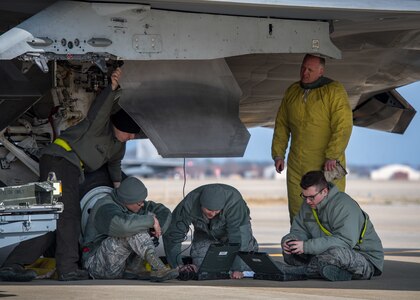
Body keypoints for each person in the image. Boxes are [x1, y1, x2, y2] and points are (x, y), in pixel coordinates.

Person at [0, 67, 140, 281]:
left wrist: (120, 192)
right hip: (60, 160)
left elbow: (114, 167)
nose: (131, 137)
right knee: (68, 216)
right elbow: (100, 110)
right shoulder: (97, 127)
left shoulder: (117, 146)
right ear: (117, 126)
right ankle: (67, 269)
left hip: (71, 168)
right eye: (128, 132)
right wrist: (111, 87)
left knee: (52, 219)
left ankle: (13, 265)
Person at [271, 54, 353, 222]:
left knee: (329, 210)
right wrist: (278, 154)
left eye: (310, 69)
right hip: (297, 165)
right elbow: (282, 124)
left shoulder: (334, 90)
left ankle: (330, 246)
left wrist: (333, 155)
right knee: (297, 209)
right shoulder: (293, 91)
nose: (305, 73)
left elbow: (343, 126)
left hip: (326, 165)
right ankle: (299, 244)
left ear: (321, 71)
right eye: (303, 68)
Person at [277, 171, 383, 281]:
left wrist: (306, 246)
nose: (307, 201)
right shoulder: (308, 205)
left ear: (325, 191)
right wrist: (291, 240)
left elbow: (345, 241)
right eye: (304, 196)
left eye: (312, 197)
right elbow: (300, 230)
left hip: (362, 257)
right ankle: (323, 269)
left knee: (335, 254)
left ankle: (304, 271)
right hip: (324, 253)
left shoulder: (344, 205)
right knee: (290, 253)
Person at [81, 176, 178, 282]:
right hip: (96, 265)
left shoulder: (134, 204)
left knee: (142, 221)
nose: (142, 204)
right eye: (139, 203)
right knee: (134, 227)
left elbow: (164, 212)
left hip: (121, 265)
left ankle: (134, 269)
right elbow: (124, 226)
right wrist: (151, 221)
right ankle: (159, 267)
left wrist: (157, 229)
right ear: (126, 201)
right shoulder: (104, 207)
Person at [163, 184, 258, 279]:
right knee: (204, 269)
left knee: (247, 266)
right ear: (201, 204)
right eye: (209, 210)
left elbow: (239, 235)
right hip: (205, 234)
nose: (212, 213)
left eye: (216, 211)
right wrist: (177, 265)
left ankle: (251, 246)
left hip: (232, 235)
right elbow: (173, 233)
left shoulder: (234, 202)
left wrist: (238, 268)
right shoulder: (190, 203)